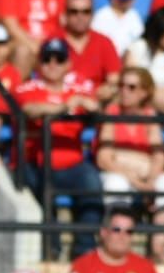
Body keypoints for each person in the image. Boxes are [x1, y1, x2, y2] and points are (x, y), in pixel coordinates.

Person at [16, 36, 104, 256]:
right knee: (39, 190)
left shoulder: (79, 87)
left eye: (59, 58)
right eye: (47, 58)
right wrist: (64, 107)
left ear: (68, 63)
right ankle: (51, 249)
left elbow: (96, 106)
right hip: (39, 162)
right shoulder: (28, 87)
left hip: (73, 163)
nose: (53, 64)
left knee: (92, 184)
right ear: (39, 63)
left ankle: (84, 249)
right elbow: (30, 109)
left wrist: (90, 105)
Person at [98, 67, 164, 262]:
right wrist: (135, 178)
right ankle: (119, 245)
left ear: (144, 92)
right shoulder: (112, 113)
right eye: (122, 86)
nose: (125, 91)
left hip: (143, 173)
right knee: (115, 184)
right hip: (120, 173)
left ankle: (158, 247)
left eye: (131, 87)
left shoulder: (150, 115)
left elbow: (159, 156)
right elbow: (105, 157)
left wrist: (150, 180)